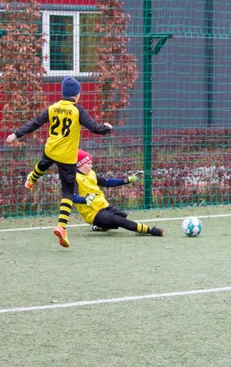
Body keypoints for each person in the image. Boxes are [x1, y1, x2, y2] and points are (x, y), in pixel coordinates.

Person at [5, 77, 113, 248]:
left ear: (63, 93)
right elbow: (94, 128)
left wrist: (16, 135)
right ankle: (61, 227)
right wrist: (106, 128)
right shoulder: (78, 110)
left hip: (51, 149)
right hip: (67, 158)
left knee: (44, 162)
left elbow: (34, 123)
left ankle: (31, 179)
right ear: (77, 95)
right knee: (68, 192)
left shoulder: (52, 108)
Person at [73, 149, 164, 237]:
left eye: (91, 163)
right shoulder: (74, 179)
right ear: (79, 164)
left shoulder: (91, 173)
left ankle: (99, 227)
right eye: (88, 163)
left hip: (103, 206)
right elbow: (73, 197)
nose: (91, 166)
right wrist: (85, 200)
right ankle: (150, 230)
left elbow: (106, 182)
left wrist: (127, 180)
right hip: (93, 214)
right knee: (120, 221)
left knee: (121, 216)